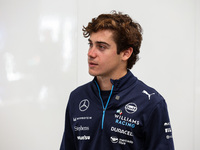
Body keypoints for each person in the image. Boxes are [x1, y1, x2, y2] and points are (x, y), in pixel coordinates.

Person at [60, 11, 174, 150]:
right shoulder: (77, 97)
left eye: (101, 47)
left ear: (126, 53)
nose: (90, 53)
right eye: (91, 44)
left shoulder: (151, 102)